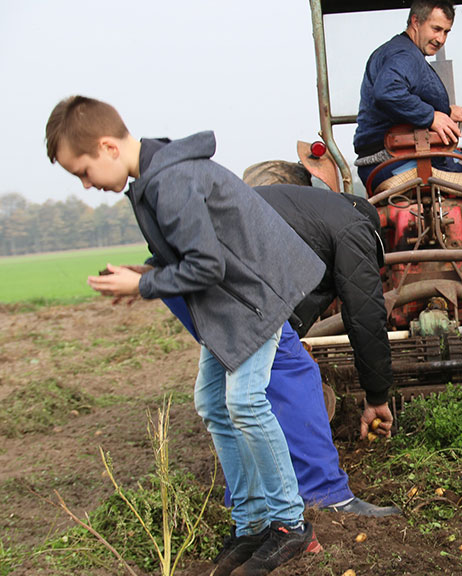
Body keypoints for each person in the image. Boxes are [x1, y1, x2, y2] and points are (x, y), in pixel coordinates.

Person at [46, 96, 322, 576]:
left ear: (108, 147)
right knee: (213, 402)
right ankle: (253, 520)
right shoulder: (156, 175)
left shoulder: (169, 179)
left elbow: (206, 264)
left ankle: (290, 525)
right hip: (230, 304)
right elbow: (190, 249)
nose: (87, 184)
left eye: (83, 172)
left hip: (252, 299)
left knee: (245, 401)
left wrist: (144, 285)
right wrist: (146, 272)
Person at [160, 295, 401, 518]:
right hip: (240, 290)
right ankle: (322, 493)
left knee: (216, 397)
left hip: (205, 289)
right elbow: (365, 307)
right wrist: (377, 396)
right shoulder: (354, 246)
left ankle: (248, 506)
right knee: (290, 370)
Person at [253, 183, 394, 441]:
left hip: (217, 252)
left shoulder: (320, 211)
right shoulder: (355, 230)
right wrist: (377, 396)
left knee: (234, 393)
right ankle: (307, 459)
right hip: (246, 267)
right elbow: (366, 317)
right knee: (294, 372)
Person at [352, 0, 462, 190]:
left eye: (446, 32)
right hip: (394, 161)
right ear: (416, 21)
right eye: (436, 29)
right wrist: (430, 116)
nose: (440, 39)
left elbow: (406, 97)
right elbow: (388, 91)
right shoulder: (404, 55)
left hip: (395, 158)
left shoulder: (401, 52)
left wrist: (446, 112)